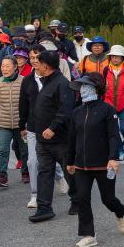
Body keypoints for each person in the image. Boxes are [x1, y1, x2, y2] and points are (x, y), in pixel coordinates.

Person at [66, 73, 124, 247]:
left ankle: (120, 212)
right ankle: (88, 235)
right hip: (81, 165)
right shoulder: (76, 113)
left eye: (87, 86)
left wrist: (114, 158)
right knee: (82, 198)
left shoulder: (107, 110)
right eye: (81, 86)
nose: (83, 89)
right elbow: (71, 139)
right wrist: (69, 161)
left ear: (96, 88)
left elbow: (113, 136)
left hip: (104, 164)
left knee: (108, 198)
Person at [28, 51, 77, 223]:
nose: (35, 64)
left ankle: (78, 201)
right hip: (43, 140)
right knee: (44, 173)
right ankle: (44, 208)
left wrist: (52, 127)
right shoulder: (46, 82)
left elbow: (66, 110)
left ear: (46, 65)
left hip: (61, 140)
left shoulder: (62, 84)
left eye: (38, 61)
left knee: (69, 172)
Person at [0, 57, 28, 187]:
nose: (4, 69)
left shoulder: (24, 81)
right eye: (3, 66)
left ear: (15, 67)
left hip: (21, 125)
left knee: (24, 150)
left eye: (7, 66)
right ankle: (1, 176)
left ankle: (26, 172)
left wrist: (27, 122)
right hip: (4, 124)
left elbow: (29, 102)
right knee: (3, 150)